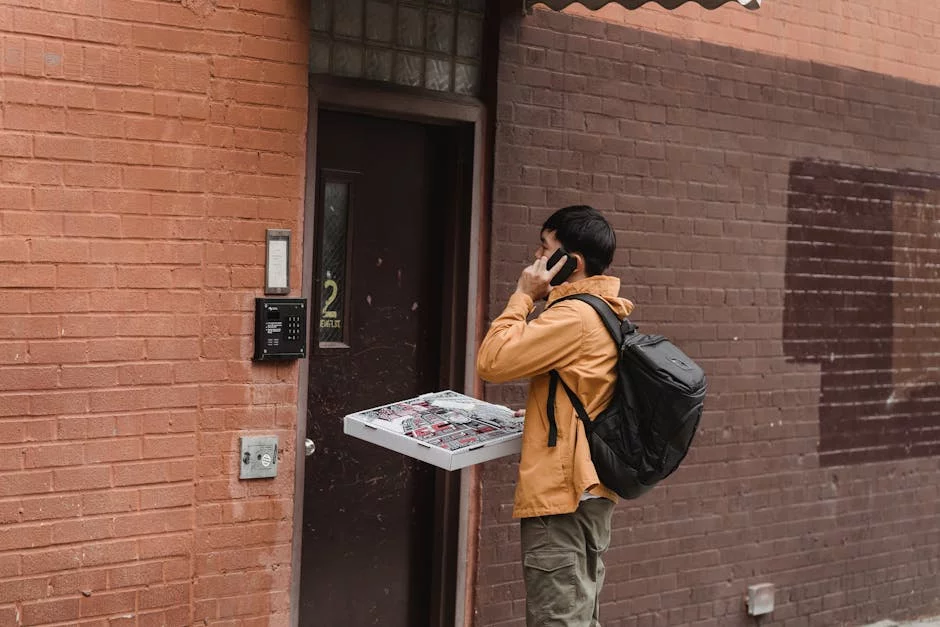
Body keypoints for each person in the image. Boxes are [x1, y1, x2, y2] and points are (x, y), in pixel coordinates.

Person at [477, 205, 634, 627]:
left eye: (545, 249)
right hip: (588, 492)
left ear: (572, 262)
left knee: (559, 621)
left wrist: (524, 295)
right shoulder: (604, 309)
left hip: (563, 498)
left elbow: (491, 361)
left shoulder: (575, 316)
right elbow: (583, 390)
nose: (536, 260)